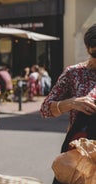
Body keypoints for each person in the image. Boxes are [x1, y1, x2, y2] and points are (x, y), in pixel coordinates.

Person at [40, 24, 96, 184]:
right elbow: (45, 109)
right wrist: (72, 103)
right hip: (80, 156)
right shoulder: (74, 73)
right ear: (88, 49)